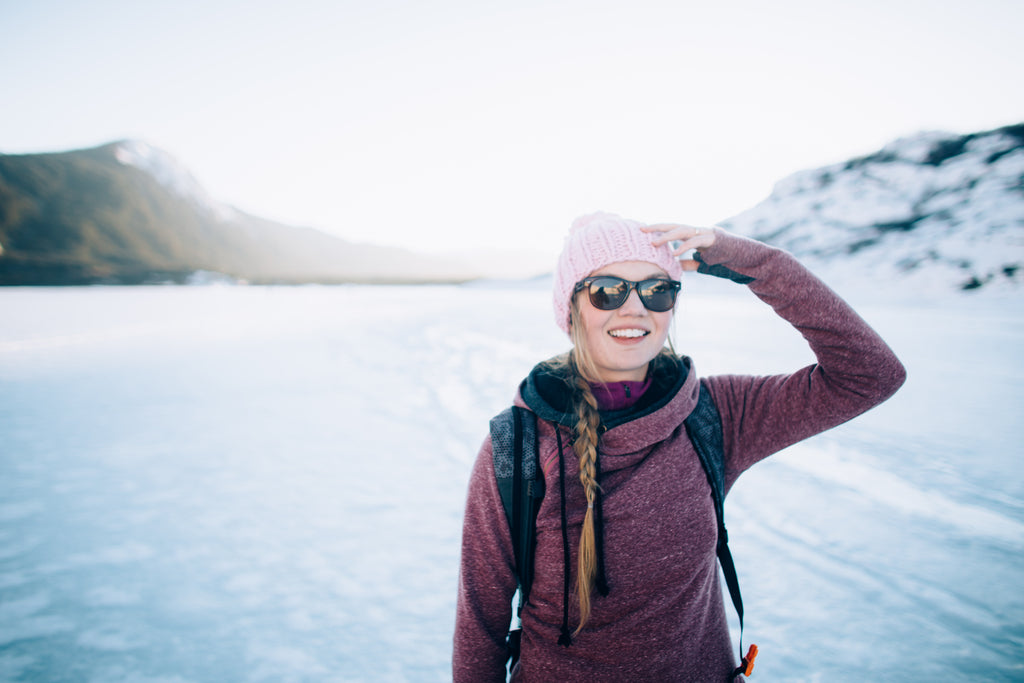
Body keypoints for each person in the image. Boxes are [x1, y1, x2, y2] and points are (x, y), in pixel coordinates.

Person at [453, 212, 906, 682]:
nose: (635, 309)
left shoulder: (716, 414)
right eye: (607, 291)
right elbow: (479, 620)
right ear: (571, 310)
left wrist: (750, 260)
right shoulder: (518, 445)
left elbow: (871, 374)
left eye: (657, 289)